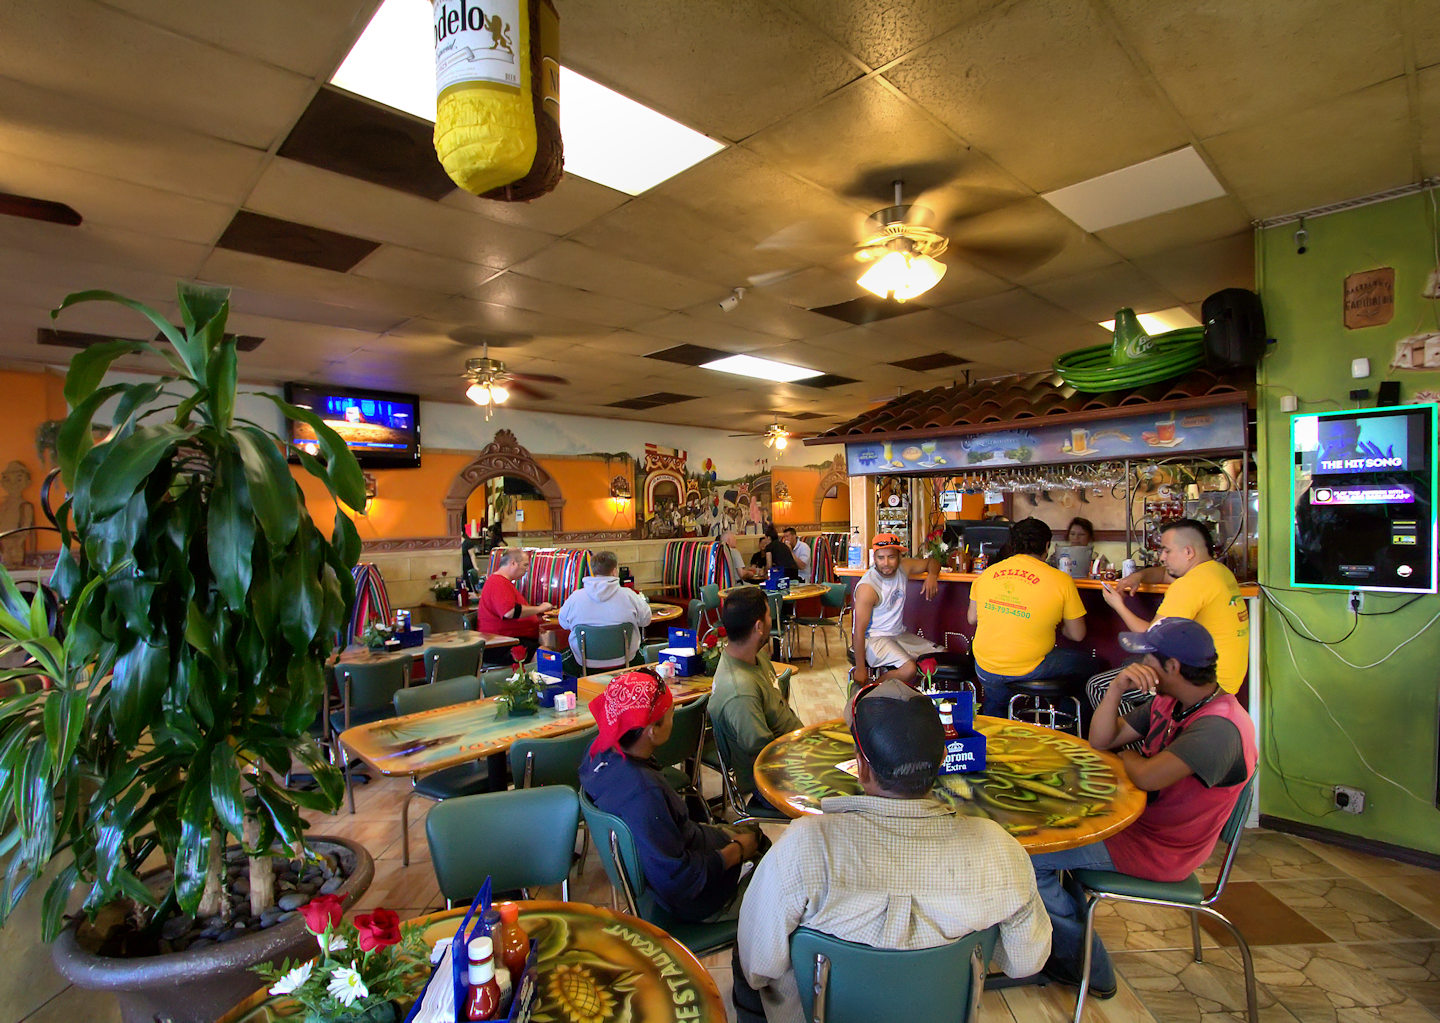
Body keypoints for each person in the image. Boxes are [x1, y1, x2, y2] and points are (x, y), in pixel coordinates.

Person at [733, 679, 1051, 1023]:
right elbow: (1025, 962)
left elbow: (757, 965)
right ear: (944, 759)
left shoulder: (804, 847)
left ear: (861, 767)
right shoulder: (1000, 849)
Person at [1028, 618, 1255, 997]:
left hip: (1161, 848)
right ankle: (1061, 939)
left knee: (1030, 857)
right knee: (1048, 829)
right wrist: (1116, 689)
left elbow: (1147, 777)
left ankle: (1086, 965)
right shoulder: (1172, 701)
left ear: (1173, 666)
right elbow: (1102, 741)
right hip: (1134, 823)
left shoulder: (1218, 727)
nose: (1139, 663)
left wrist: (1129, 758)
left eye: (1149, 656)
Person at [579, 671, 766, 922]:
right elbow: (679, 881)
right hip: (695, 899)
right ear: (652, 731)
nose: (673, 718)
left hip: (671, 857)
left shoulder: (598, 754)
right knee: (777, 869)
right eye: (670, 713)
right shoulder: (644, 793)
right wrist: (737, 851)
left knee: (753, 834)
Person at [1094, 518, 1249, 711]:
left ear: (1188, 552)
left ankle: (1139, 732)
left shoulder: (1190, 584)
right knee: (1133, 665)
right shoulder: (1218, 571)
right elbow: (1164, 574)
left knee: (1100, 687)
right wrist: (1138, 576)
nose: (1162, 557)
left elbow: (1149, 637)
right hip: (1226, 680)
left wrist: (1118, 605)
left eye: (1167, 551)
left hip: (1203, 685)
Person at [969, 517, 1095, 717]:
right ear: (1047, 545)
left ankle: (994, 720)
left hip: (985, 667)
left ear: (1013, 544)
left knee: (997, 698)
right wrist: (1055, 622)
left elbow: (971, 618)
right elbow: (1077, 634)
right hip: (1030, 668)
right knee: (1089, 665)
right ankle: (1066, 726)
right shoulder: (1061, 580)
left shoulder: (987, 574)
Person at [708, 586, 802, 805]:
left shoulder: (755, 657)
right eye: (769, 615)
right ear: (759, 626)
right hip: (773, 781)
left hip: (793, 757)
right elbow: (765, 756)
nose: (772, 620)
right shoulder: (740, 692)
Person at [851, 533, 940, 684]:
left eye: (891, 557)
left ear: (899, 556)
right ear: (874, 558)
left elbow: (932, 562)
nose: (886, 563)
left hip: (897, 634)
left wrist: (932, 575)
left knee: (941, 655)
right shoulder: (868, 588)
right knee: (909, 669)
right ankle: (870, 691)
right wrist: (860, 668)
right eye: (881, 558)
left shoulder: (904, 567)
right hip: (873, 639)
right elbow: (858, 631)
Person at [557, 550, 652, 668]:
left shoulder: (576, 597)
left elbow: (563, 623)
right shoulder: (629, 595)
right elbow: (646, 620)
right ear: (614, 571)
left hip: (584, 664)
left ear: (593, 571)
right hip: (626, 662)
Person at [475, 547, 552, 646]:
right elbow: (510, 612)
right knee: (550, 654)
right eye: (525, 565)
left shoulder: (503, 582)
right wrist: (540, 608)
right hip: (504, 643)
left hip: (516, 638)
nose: (527, 570)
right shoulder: (497, 582)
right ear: (513, 563)